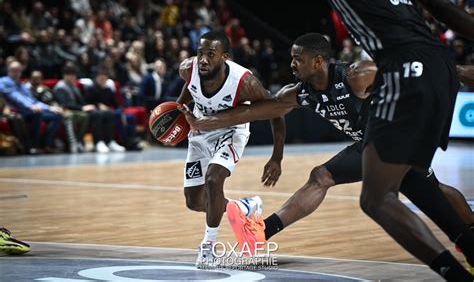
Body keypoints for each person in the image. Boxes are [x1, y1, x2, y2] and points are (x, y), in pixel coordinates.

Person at [180, 33, 474, 278]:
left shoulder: (356, 75)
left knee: (427, 191)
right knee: (321, 176)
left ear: (318, 61)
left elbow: (408, 69)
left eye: (298, 58)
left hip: (398, 142)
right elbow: (251, 111)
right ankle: (261, 232)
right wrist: (206, 122)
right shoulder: (298, 93)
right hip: (368, 147)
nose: (292, 63)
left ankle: (469, 240)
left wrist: (458, 73)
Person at [305, 0, 474, 280]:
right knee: (411, 176)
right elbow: (441, 6)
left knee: (377, 198)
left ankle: (458, 277)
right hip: (441, 64)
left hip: (403, 66)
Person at [175, 30, 285, 268]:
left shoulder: (244, 82)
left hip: (231, 133)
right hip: (200, 131)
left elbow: (276, 110)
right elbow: (188, 87)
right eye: (200, 53)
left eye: (210, 54)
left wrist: (276, 157)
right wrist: (178, 109)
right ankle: (243, 207)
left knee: (214, 180)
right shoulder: (188, 68)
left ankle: (208, 247)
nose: (203, 60)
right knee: (194, 202)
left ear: (224, 57)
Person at [0, 61, 63, 153]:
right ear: (8, 71)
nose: (16, 73)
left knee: (57, 115)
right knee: (37, 113)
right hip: (16, 111)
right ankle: (33, 146)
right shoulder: (4, 82)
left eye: (18, 71)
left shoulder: (21, 84)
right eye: (13, 70)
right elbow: (16, 96)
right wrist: (30, 106)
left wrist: (49, 107)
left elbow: (33, 100)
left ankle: (46, 144)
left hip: (29, 109)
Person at [29, 70, 89, 153]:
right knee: (64, 116)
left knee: (61, 116)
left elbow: (54, 99)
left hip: (52, 109)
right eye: (35, 78)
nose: (37, 80)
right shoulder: (27, 89)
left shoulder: (45, 88)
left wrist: (57, 107)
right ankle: (49, 144)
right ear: (31, 79)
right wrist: (50, 107)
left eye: (39, 78)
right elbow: (32, 103)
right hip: (38, 110)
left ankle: (75, 141)